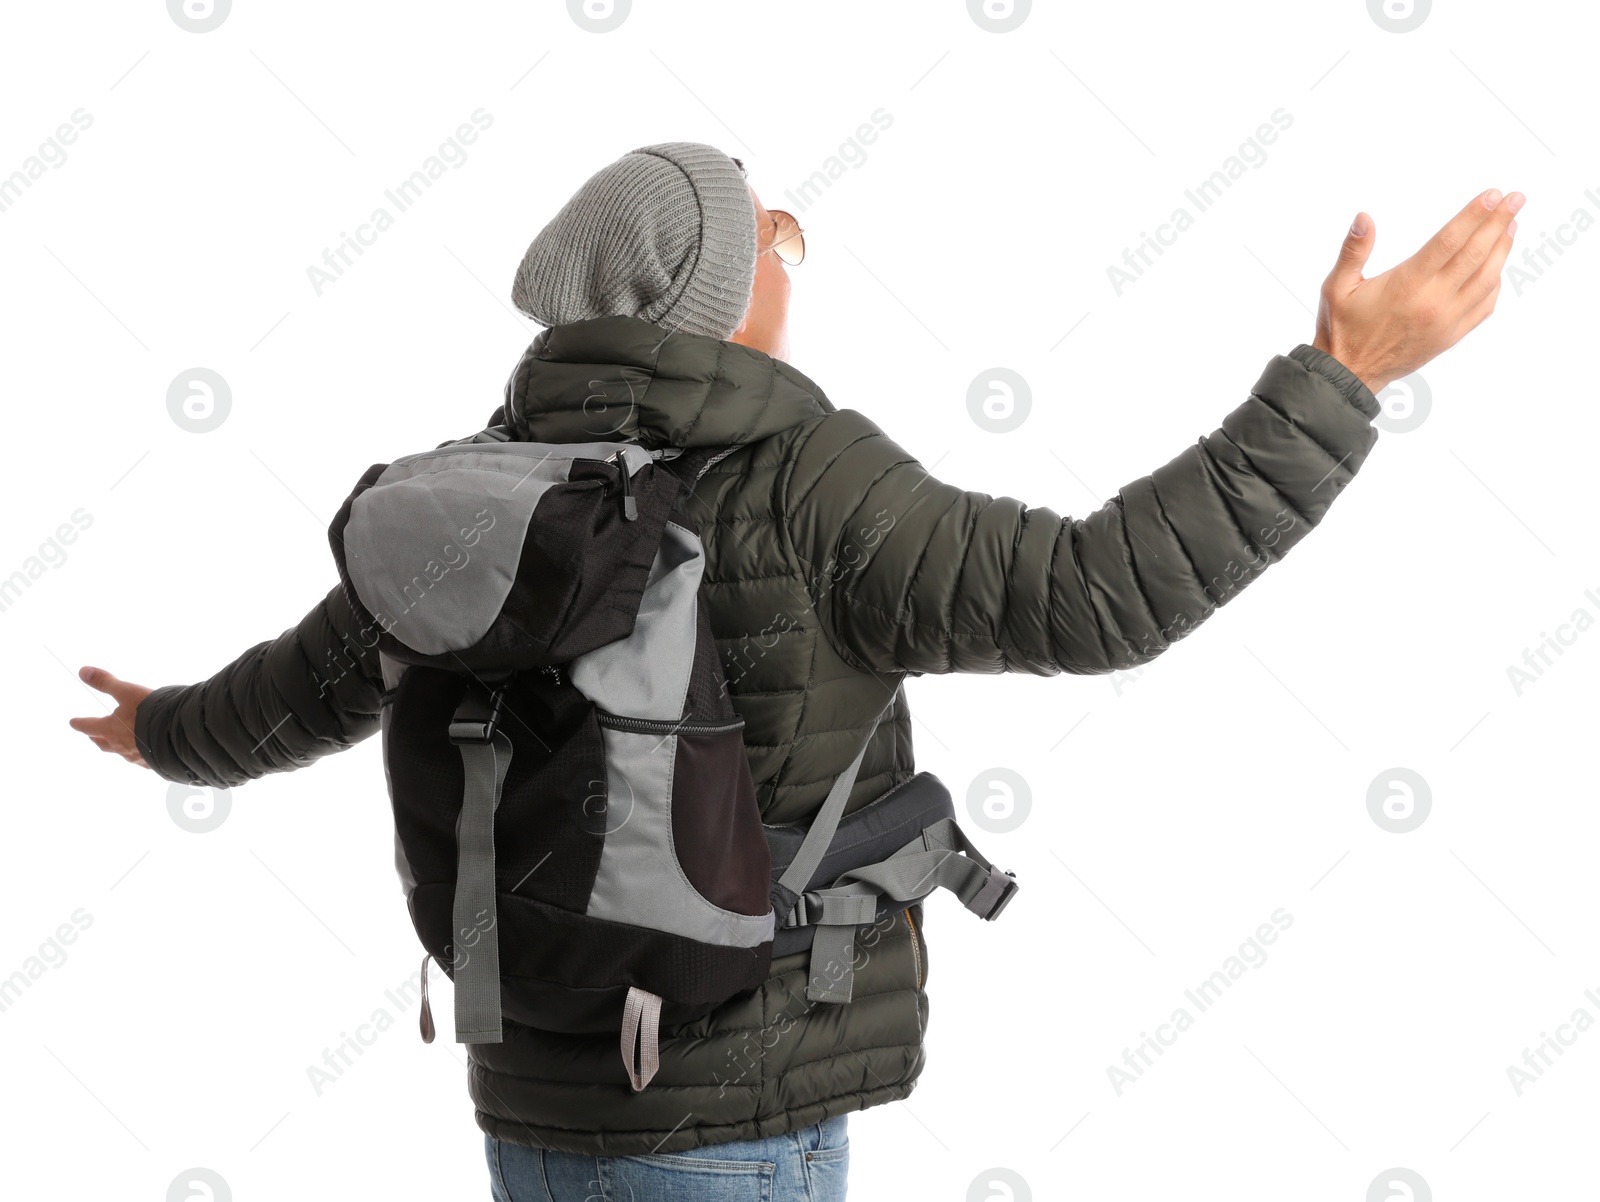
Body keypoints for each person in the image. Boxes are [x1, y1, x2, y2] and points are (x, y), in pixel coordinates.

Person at [70, 142, 1522, 1201]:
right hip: (733, 1111)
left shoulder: (472, 494)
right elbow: (1092, 596)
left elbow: (303, 686)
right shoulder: (806, 477)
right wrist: (1338, 376)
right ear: (711, 295)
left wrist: (163, 730)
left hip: (527, 1100)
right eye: (764, 229)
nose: (789, 242)